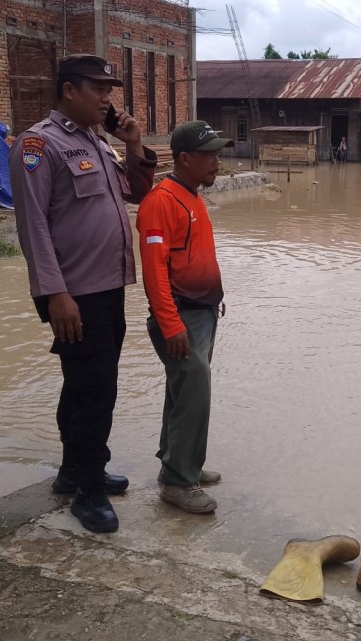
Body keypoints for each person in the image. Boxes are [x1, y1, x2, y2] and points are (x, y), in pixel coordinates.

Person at [9, 53, 157, 533]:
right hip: (74, 293)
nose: (108, 99)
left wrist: (133, 142)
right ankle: (88, 492)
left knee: (83, 385)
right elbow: (32, 227)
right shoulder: (39, 145)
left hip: (107, 286)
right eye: (99, 89)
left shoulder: (97, 141)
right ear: (70, 90)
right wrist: (55, 294)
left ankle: (74, 471)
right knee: (97, 391)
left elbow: (136, 192)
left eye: (110, 90)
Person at [136, 120, 233, 514]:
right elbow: (155, 271)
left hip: (201, 312)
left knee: (183, 394)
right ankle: (178, 482)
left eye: (217, 153)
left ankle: (179, 463)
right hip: (180, 319)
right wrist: (171, 323)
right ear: (184, 158)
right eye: (209, 154)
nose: (217, 161)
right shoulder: (161, 202)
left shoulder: (191, 195)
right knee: (195, 395)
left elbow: (193, 257)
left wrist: (213, 298)